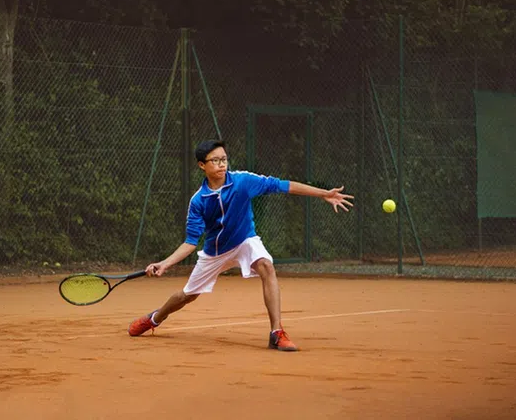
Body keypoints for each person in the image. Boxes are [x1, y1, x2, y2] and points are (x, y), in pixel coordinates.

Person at [128, 139, 354, 351]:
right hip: (215, 252)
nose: (221, 164)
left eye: (224, 159)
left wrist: (324, 193)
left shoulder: (243, 181)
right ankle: (155, 318)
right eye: (215, 160)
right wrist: (165, 264)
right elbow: (190, 242)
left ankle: (277, 332)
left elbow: (283, 185)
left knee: (266, 265)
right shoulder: (198, 201)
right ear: (201, 165)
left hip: (245, 240)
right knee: (187, 295)